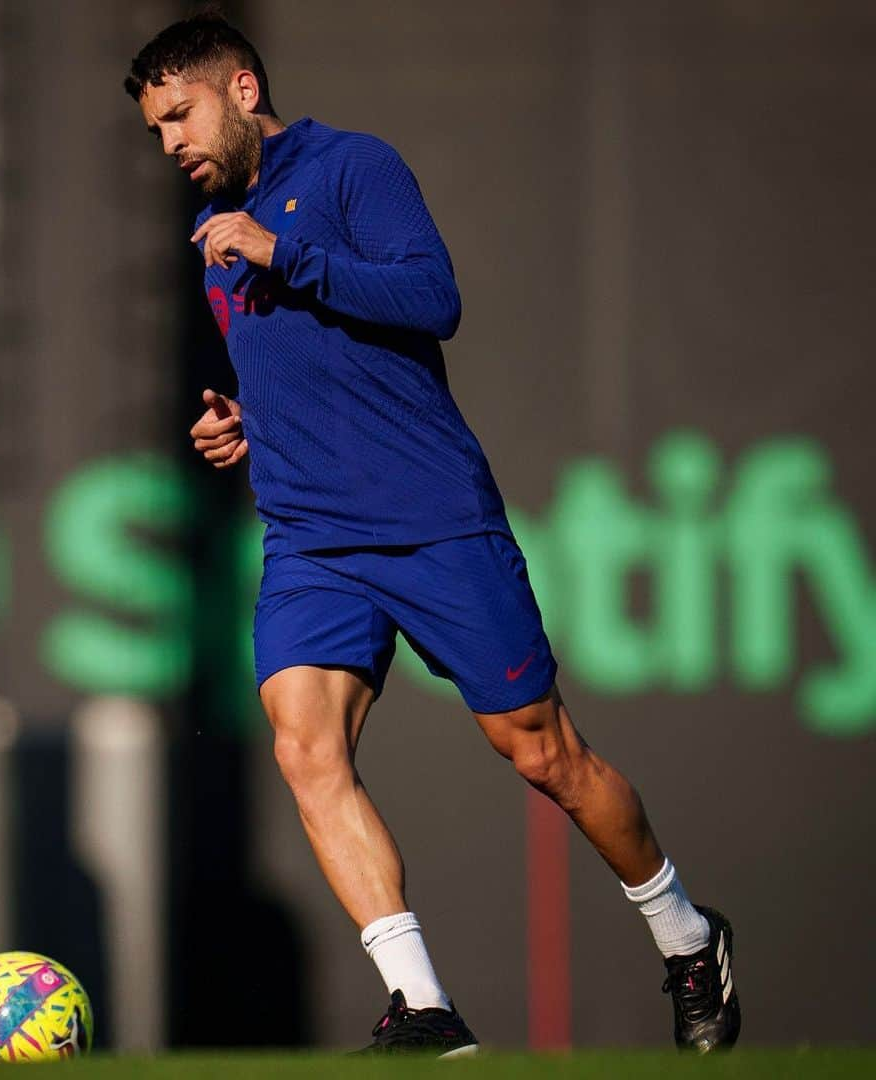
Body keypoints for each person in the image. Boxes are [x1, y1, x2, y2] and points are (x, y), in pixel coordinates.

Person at [125, 13, 740, 1056]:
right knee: (304, 748)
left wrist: (286, 249)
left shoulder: (353, 168)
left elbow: (431, 298)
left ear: (241, 86)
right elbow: (291, 359)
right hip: (312, 538)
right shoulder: (213, 238)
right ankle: (425, 1007)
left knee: (544, 755)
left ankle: (688, 939)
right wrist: (238, 419)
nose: (172, 142)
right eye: (155, 130)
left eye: (180, 114)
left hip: (430, 519)